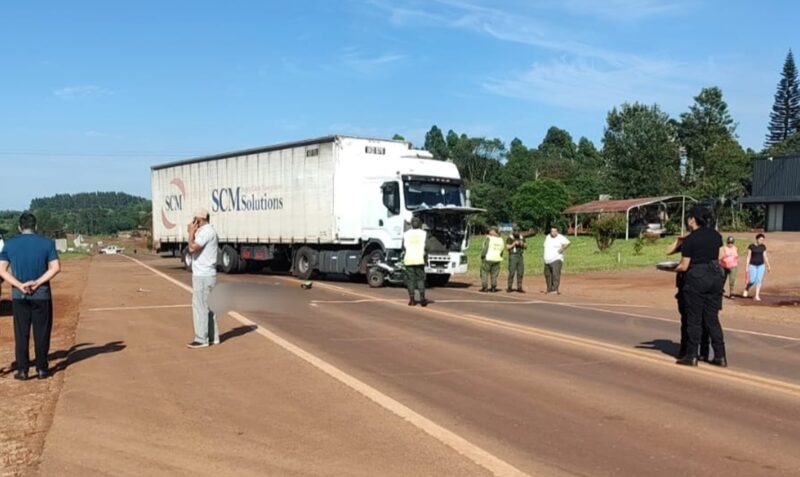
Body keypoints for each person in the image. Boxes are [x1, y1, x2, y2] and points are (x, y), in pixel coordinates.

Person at [0, 213, 61, 380]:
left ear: (20, 227)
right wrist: (38, 282)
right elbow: (55, 267)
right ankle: (42, 368)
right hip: (41, 294)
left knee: (21, 333)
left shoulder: (10, 244)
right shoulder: (47, 243)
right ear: (35, 226)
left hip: (19, 295)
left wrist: (20, 285)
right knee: (41, 332)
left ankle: (22, 370)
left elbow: (1, 270)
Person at [673, 207, 726, 367]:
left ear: (692, 220)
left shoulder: (690, 239)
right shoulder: (716, 235)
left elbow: (684, 265)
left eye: (688, 218)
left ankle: (692, 355)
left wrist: (670, 268)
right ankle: (720, 356)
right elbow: (722, 256)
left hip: (697, 278)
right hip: (716, 277)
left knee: (694, 319)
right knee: (712, 319)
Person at [187, 208, 220, 349]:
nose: (194, 223)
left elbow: (192, 248)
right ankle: (213, 336)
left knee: (200, 307)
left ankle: (201, 339)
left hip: (203, 275)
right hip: (209, 274)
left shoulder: (206, 232)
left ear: (200, 220)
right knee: (209, 307)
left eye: (195, 220)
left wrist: (190, 233)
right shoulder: (209, 231)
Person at [403, 217, 428, 306]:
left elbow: (404, 247)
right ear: (420, 223)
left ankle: (412, 300)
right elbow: (426, 247)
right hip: (419, 259)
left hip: (409, 259)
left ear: (411, 223)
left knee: (410, 280)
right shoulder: (424, 233)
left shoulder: (406, 234)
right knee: (420, 279)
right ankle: (422, 299)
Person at [743, 233, 770, 301]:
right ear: (757, 239)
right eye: (760, 239)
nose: (762, 241)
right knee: (752, 280)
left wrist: (768, 265)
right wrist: (747, 266)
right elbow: (748, 257)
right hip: (752, 265)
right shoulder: (751, 246)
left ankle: (757, 295)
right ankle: (747, 288)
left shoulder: (763, 246)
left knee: (759, 280)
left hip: (761, 265)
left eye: (763, 240)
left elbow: (765, 256)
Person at [543, 226, 570, 294]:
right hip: (547, 260)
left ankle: (555, 289)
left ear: (557, 232)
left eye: (555, 231)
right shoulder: (548, 237)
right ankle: (549, 289)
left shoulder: (560, 237)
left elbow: (568, 243)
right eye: (552, 231)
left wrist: (562, 248)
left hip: (556, 258)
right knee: (547, 274)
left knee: (555, 274)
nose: (553, 233)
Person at [506, 224, 531, 293]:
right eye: (515, 231)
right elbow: (507, 247)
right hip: (513, 255)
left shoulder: (521, 237)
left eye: (518, 231)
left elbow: (526, 246)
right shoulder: (510, 238)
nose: (516, 232)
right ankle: (509, 286)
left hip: (520, 255)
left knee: (520, 272)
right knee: (512, 271)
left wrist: (522, 244)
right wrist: (514, 244)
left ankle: (519, 287)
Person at [480, 227, 504, 292]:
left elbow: (485, 248)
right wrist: (499, 256)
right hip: (497, 259)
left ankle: (485, 287)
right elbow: (502, 250)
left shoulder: (489, 239)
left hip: (488, 258)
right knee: (494, 274)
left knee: (484, 273)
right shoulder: (501, 240)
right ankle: (493, 287)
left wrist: (482, 256)